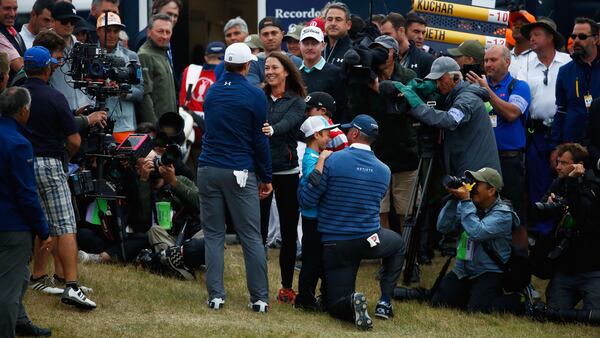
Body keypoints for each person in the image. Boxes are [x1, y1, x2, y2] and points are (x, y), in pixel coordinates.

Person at [298, 114, 406, 330]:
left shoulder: (332, 160)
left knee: (335, 302)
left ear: (355, 133)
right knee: (398, 243)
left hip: (337, 243)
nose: (345, 134)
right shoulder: (384, 170)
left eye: (348, 131)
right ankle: (384, 301)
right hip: (369, 239)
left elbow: (307, 200)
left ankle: (350, 303)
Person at [197, 42, 271, 312]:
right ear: (247, 65)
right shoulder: (254, 95)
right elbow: (259, 140)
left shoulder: (213, 92)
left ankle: (216, 296)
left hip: (208, 168)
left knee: (214, 235)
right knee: (251, 235)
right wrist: (266, 176)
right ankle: (260, 298)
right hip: (240, 169)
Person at [22, 46, 96, 309]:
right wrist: (67, 155)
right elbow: (74, 140)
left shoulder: (15, 95)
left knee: (41, 221)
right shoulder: (55, 97)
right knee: (65, 225)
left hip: (22, 164)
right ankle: (71, 286)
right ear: (47, 68)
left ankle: (39, 276)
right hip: (51, 164)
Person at [431, 167, 524, 314]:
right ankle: (470, 296)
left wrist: (466, 200)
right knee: (439, 302)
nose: (472, 187)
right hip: (463, 269)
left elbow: (477, 233)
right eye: (471, 182)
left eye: (477, 184)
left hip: (489, 271)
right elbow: (443, 227)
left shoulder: (503, 214)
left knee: (478, 310)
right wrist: (454, 200)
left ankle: (516, 300)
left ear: (491, 190)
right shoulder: (468, 204)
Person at [0, 86, 53, 337]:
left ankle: (20, 321)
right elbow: (26, 194)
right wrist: (43, 229)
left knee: (18, 276)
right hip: (11, 226)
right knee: (8, 292)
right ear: (23, 111)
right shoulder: (19, 144)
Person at [400, 56, 501, 176]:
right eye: (435, 81)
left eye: (440, 79)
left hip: (477, 173)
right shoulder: (454, 96)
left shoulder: (468, 98)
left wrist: (416, 105)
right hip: (468, 167)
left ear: (456, 77)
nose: (437, 85)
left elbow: (449, 120)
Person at [466, 45, 531, 227]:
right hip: (482, 160)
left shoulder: (518, 86)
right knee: (481, 210)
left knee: (515, 212)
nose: (487, 64)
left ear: (507, 62)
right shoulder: (477, 87)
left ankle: (519, 254)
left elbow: (511, 114)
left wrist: (487, 90)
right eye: (486, 60)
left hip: (509, 160)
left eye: (493, 60)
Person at [260, 51, 306, 304]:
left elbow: (290, 122)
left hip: (287, 172)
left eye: (274, 67)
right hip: (263, 171)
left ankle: (287, 287)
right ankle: (258, 287)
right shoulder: (259, 97)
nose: (269, 71)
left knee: (289, 233)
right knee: (258, 232)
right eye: (266, 67)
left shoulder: (297, 101)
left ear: (286, 71)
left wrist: (272, 128)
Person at [517, 17, 570, 233]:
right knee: (538, 182)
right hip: (536, 133)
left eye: (537, 34)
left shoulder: (568, 62)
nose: (531, 38)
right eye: (530, 35)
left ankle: (563, 232)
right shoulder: (523, 63)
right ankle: (541, 234)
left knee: (565, 182)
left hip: (565, 131)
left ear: (550, 38)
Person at [539, 143, 600, 312]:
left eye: (564, 163)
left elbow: (581, 214)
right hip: (566, 267)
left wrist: (573, 183)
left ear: (579, 165)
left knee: (594, 315)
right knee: (554, 310)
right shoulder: (559, 183)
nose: (558, 167)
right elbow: (539, 212)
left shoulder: (594, 186)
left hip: (593, 268)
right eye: (558, 162)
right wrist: (549, 205)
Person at [294, 115, 338, 310]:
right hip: (312, 218)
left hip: (316, 217)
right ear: (316, 135)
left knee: (316, 259)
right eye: (327, 134)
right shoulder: (310, 157)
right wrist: (322, 158)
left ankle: (311, 297)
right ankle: (304, 299)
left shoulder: (313, 155)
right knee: (311, 260)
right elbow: (314, 179)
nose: (329, 138)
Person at [96, 11, 144, 143]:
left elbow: (140, 92)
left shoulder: (132, 56)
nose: (111, 35)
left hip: (125, 126)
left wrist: (124, 91)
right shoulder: (89, 55)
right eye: (108, 30)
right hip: (97, 125)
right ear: (98, 31)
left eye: (116, 31)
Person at [551, 18, 600, 148]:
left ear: (595, 39)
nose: (576, 40)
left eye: (582, 36)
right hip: (572, 145)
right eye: (574, 36)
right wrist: (555, 146)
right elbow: (561, 110)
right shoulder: (564, 71)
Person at [49, 1, 94, 110]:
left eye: (73, 21)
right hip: (59, 111)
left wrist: (90, 102)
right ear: (52, 21)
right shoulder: (44, 46)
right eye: (64, 21)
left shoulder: (82, 47)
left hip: (84, 111)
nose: (69, 25)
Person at [299, 25, 348, 123]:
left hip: (327, 133)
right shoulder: (293, 74)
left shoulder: (336, 73)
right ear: (299, 45)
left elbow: (343, 108)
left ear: (323, 45)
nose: (309, 47)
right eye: (306, 43)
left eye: (314, 43)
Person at [138, 13, 177, 124]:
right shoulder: (144, 55)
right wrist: (155, 127)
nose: (164, 36)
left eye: (168, 32)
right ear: (149, 32)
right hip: (158, 128)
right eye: (160, 31)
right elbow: (145, 96)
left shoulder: (163, 52)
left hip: (169, 124)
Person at [247, 16, 302, 86]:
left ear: (282, 34)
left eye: (274, 33)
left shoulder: (295, 61)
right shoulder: (253, 62)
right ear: (260, 37)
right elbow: (253, 89)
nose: (270, 38)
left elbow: (299, 90)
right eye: (265, 34)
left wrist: (263, 85)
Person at [379, 12, 433, 79]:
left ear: (401, 31)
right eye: (416, 32)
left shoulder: (427, 59)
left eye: (423, 33)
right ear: (403, 31)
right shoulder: (382, 55)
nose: (421, 37)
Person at [0, 0, 25, 79]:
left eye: (15, 9)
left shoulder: (13, 32)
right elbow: (20, 67)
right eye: (7, 8)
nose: (12, 14)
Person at [322, 2, 353, 67]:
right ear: (324, 22)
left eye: (338, 20)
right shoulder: (317, 48)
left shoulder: (354, 51)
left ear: (348, 25)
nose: (333, 23)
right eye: (329, 19)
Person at [507, 10, 536, 77]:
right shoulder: (505, 56)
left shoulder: (538, 58)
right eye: (515, 24)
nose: (517, 26)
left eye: (523, 24)